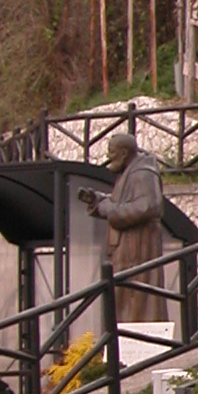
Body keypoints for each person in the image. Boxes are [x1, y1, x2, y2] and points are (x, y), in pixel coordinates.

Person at [78, 135, 171, 325]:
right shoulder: (129, 171)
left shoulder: (143, 172)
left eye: (112, 152)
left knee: (137, 302)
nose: (108, 156)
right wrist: (97, 200)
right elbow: (123, 202)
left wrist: (110, 210)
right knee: (123, 303)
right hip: (127, 252)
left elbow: (149, 206)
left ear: (123, 153)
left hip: (137, 252)